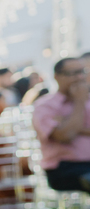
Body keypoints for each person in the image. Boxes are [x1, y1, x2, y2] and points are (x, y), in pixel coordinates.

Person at [33, 57, 90, 192]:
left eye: (82, 71)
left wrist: (72, 126)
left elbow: (68, 130)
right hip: (64, 168)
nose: (80, 77)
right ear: (56, 76)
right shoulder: (45, 105)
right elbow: (65, 136)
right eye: (73, 73)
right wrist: (79, 102)